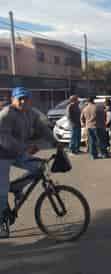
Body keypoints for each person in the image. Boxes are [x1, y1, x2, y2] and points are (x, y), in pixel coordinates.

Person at [0, 87, 60, 238]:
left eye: (25, 98)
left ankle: (16, 187)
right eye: (19, 98)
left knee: (40, 166)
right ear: (13, 100)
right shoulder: (7, 114)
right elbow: (4, 139)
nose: (22, 101)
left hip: (17, 152)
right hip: (3, 155)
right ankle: (1, 223)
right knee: (1, 192)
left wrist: (56, 142)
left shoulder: (31, 113)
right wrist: (25, 148)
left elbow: (42, 129)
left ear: (29, 100)